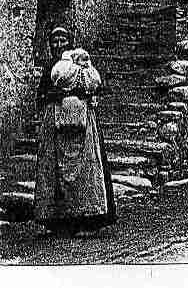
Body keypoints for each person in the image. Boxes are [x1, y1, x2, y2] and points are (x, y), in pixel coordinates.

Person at [34, 26, 116, 236]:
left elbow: (94, 87)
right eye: (54, 41)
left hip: (82, 125)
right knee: (53, 171)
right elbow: (42, 95)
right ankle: (57, 221)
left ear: (69, 44)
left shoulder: (80, 64)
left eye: (63, 41)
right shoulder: (49, 68)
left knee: (86, 169)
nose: (58, 45)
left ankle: (87, 219)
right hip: (55, 124)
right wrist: (53, 97)